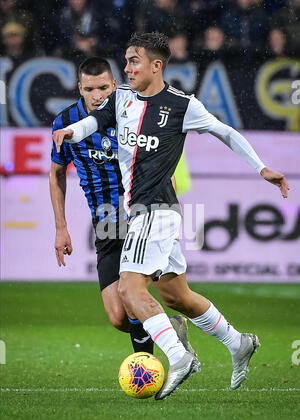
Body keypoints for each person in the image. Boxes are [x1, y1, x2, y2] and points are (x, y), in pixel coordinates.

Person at [53, 32, 290, 400]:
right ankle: (238, 342)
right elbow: (94, 122)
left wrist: (262, 169)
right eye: (128, 61)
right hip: (140, 213)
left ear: (156, 65)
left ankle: (179, 357)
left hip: (157, 210)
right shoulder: (122, 101)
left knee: (130, 289)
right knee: (177, 296)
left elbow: (225, 132)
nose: (128, 68)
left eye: (134, 61)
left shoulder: (182, 105)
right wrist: (70, 131)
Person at [50, 56, 195, 358]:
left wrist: (168, 220)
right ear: (80, 88)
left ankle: (148, 368)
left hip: (142, 214)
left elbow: (163, 169)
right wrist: (61, 228)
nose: (97, 95)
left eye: (103, 87)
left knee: (155, 296)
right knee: (118, 317)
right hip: (106, 221)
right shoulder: (66, 123)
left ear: (115, 85)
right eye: (90, 89)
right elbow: (57, 173)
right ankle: (170, 328)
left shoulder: (132, 113)